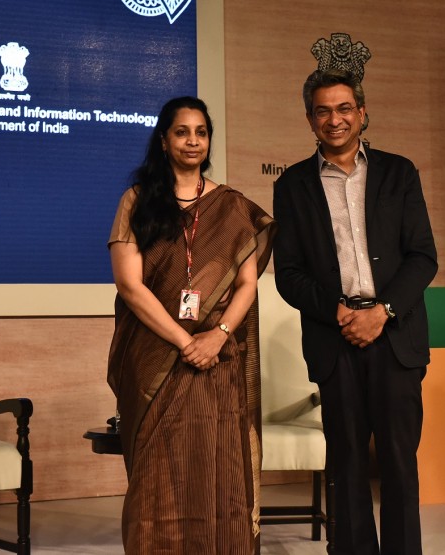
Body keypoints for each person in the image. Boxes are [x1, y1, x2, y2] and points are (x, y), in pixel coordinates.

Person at [273, 68, 438, 555]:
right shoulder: (293, 187)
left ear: (362, 113)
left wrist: (381, 311)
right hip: (334, 337)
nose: (335, 119)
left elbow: (423, 257)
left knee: (398, 465)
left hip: (396, 336)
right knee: (345, 468)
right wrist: (341, 312)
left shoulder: (399, 172)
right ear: (310, 119)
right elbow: (290, 273)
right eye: (323, 110)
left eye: (345, 108)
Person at [107, 96, 275, 554]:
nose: (192, 141)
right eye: (182, 132)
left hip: (217, 360)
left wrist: (217, 336)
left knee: (216, 467)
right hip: (156, 356)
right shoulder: (138, 201)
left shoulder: (232, 207)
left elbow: (246, 284)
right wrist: (186, 341)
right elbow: (130, 285)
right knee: (156, 473)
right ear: (164, 141)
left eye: (201, 132)